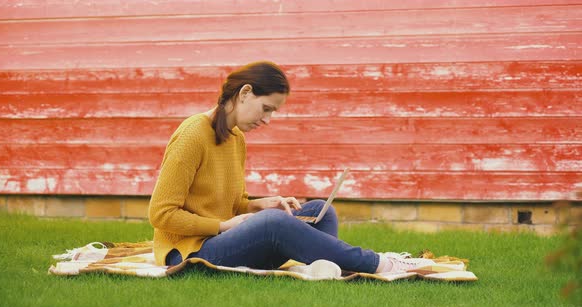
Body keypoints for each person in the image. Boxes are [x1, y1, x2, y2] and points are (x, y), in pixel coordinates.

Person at [148, 61, 432, 274]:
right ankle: (380, 263)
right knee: (275, 223)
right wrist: (222, 226)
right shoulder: (192, 135)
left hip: (223, 241)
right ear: (245, 93)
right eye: (267, 108)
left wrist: (257, 205)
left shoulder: (235, 138)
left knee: (320, 211)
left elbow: (229, 205)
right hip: (190, 253)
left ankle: (326, 266)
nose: (268, 119)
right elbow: (161, 214)